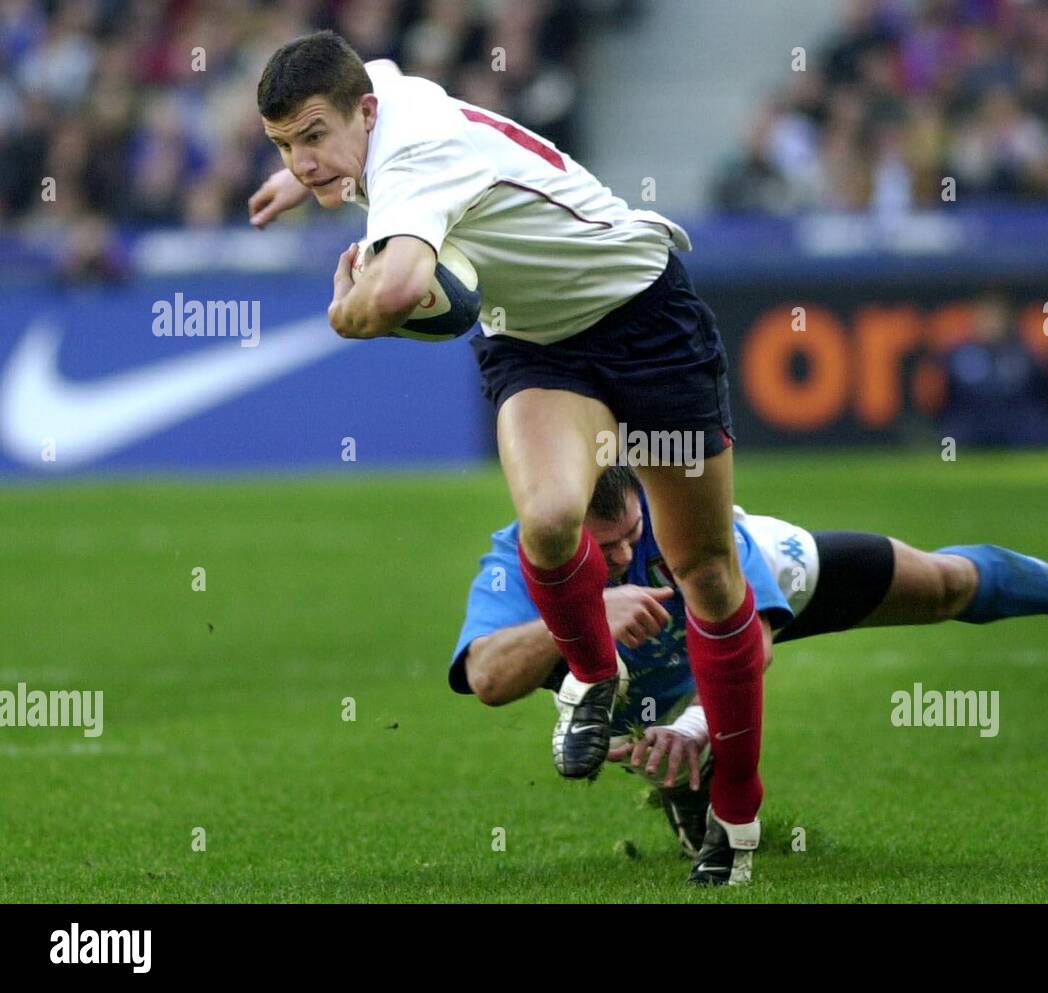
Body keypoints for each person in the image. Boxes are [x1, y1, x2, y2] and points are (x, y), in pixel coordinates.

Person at [250, 31, 769, 883]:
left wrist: (344, 312)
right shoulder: (374, 93)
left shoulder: (411, 162)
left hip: (647, 317)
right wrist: (306, 176)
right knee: (550, 515)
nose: (303, 158)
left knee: (707, 571)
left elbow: (389, 292)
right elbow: (346, 114)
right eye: (283, 144)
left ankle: (737, 812)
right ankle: (592, 678)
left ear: (365, 116)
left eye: (312, 137)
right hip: (539, 346)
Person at [452, 467, 1048, 868]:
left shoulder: (689, 519)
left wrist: (695, 722)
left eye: (630, 537)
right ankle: (686, 781)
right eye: (602, 544)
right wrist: (580, 618)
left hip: (760, 594)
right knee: (634, 722)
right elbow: (487, 676)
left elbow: (751, 642)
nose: (622, 557)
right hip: (630, 694)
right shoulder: (517, 556)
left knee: (940, 584)